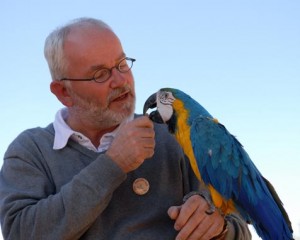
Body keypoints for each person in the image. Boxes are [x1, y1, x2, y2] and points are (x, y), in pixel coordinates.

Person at [0, 17, 251, 240]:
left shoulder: (173, 135)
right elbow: (19, 233)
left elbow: (240, 227)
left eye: (122, 64)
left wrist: (218, 229)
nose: (121, 81)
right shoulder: (30, 150)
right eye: (100, 74)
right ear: (63, 92)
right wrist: (113, 164)